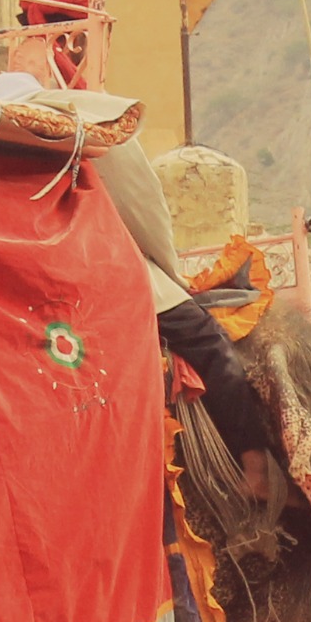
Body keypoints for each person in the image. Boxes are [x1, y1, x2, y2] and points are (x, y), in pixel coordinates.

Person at [96, 146, 277, 499]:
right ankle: (256, 465)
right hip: (110, 276)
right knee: (211, 343)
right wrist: (171, 273)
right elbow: (142, 213)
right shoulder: (97, 133)